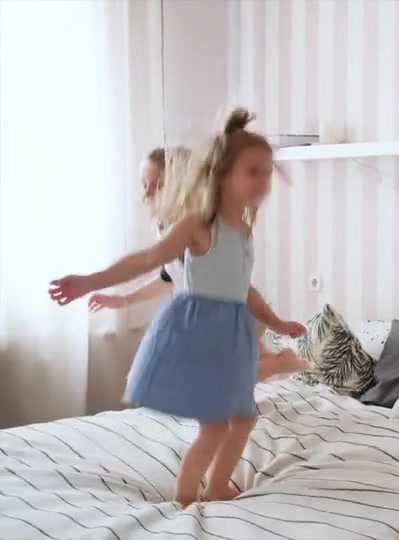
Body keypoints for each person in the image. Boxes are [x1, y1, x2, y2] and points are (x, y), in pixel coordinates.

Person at [49, 108, 300, 505]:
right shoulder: (198, 225)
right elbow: (148, 259)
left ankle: (216, 486)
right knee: (215, 427)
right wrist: (90, 282)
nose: (263, 181)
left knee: (244, 419)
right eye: (254, 172)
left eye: (268, 173)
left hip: (231, 334)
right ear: (222, 174)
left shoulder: (243, 229)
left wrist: (277, 321)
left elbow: (243, 288)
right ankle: (185, 498)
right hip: (201, 332)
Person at [87, 145, 307, 381]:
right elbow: (171, 278)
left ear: (183, 188)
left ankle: (280, 363)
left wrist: (277, 323)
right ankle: (275, 363)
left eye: (159, 186)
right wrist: (124, 300)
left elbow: (242, 286)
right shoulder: (167, 226)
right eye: (144, 185)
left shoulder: (203, 231)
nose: (147, 194)